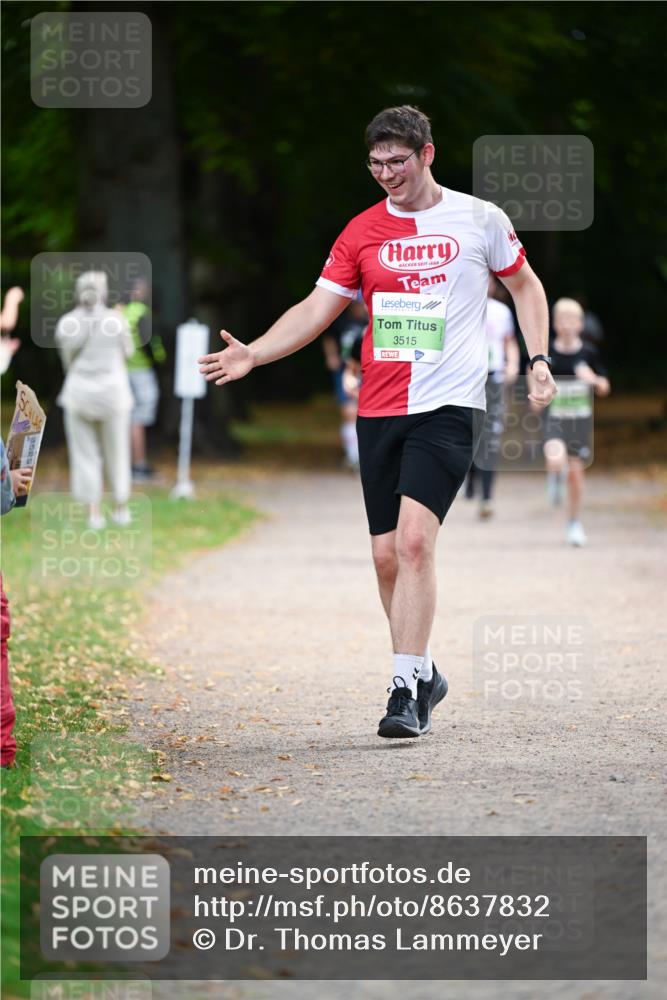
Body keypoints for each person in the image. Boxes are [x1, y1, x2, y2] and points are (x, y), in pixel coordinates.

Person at [198, 105, 556, 738]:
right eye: (376, 163)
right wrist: (255, 351)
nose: (387, 173)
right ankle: (423, 670)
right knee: (386, 557)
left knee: (416, 542)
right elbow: (317, 308)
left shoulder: (481, 220)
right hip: (380, 406)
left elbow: (526, 287)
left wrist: (537, 358)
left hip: (449, 405)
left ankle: (403, 693)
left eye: (398, 161)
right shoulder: (361, 231)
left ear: (427, 155)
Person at [55, 271, 135, 529]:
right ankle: (121, 508)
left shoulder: (67, 322)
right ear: (104, 292)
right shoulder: (117, 320)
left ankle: (93, 513)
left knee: (84, 455)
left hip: (78, 394)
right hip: (113, 394)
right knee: (117, 451)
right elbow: (128, 353)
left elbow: (66, 362)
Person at [543, 297, 610, 547]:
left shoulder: (589, 353)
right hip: (555, 420)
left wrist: (591, 379)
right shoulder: (549, 353)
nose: (568, 325)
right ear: (555, 324)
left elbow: (604, 387)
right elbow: (535, 378)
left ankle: (573, 523)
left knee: (577, 475)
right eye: (562, 320)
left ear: (580, 324)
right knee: (554, 457)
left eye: (573, 320)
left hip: (580, 423)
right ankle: (554, 477)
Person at [464, 275, 520, 518]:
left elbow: (510, 342)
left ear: (493, 285)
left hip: (493, 376)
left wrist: (513, 365)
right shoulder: (460, 306)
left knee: (490, 435)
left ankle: (486, 497)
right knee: (469, 432)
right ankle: (469, 478)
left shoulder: (501, 312)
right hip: (466, 378)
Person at [122, 278, 166, 481]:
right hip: (142, 370)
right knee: (139, 416)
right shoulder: (142, 313)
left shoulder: (120, 313)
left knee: (128, 416)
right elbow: (153, 343)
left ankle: (128, 463)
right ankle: (138, 464)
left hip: (122, 371)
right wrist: (160, 361)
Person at [321, 296, 368, 469]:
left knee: (366, 412)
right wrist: (331, 357)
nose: (359, 308)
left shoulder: (371, 321)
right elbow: (329, 337)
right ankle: (353, 455)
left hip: (368, 371)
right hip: (346, 370)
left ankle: (364, 455)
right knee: (349, 411)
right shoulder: (341, 321)